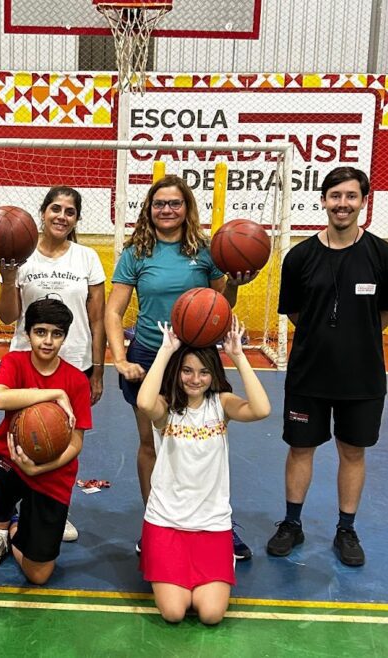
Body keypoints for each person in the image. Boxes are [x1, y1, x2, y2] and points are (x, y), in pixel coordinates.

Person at [104, 175, 252, 560]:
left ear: (187, 208)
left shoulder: (205, 250)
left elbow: (222, 304)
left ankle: (218, 522)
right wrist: (119, 358)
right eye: (159, 203)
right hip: (150, 358)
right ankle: (154, 522)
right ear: (148, 209)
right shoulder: (136, 252)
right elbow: (114, 311)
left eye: (175, 203)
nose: (167, 210)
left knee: (206, 443)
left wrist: (235, 283)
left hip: (196, 360)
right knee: (150, 443)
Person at [264, 166, 388, 567]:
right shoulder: (299, 257)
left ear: (363, 202)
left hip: (362, 377)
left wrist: (354, 338)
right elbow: (294, 312)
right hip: (309, 373)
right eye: (335, 196)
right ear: (323, 200)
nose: (343, 204)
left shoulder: (384, 256)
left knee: (353, 452)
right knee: (300, 448)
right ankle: (292, 523)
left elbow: (386, 313)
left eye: (351, 196)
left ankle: (346, 529)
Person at [0, 299, 93, 634]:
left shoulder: (77, 381)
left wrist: (41, 468)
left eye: (56, 334)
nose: (47, 341)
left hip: (51, 473)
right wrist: (53, 394)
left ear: (65, 337)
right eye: (40, 332)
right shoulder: (14, 361)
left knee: (39, 575)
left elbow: (76, 443)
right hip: (8, 461)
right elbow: (0, 398)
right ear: (28, 333)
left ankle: (11, 530)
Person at [0, 186, 106, 569]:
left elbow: (98, 319)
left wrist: (98, 370)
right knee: (17, 439)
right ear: (43, 212)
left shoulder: (87, 258)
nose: (62, 216)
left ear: (76, 218)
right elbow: (7, 316)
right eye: (56, 208)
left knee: (56, 440)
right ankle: (1, 525)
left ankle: (51, 507)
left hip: (75, 363)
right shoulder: (22, 255)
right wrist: (8, 278)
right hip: (28, 363)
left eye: (70, 211)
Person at [135, 318, 270, 624]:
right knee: (173, 612)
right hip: (166, 523)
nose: (195, 379)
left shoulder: (221, 404)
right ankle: (164, 566)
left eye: (204, 372)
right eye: (187, 370)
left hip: (212, 525)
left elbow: (261, 409)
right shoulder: (165, 408)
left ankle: (211, 568)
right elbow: (144, 402)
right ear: (177, 372)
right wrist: (166, 351)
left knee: (211, 614)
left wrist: (239, 357)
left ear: (214, 374)